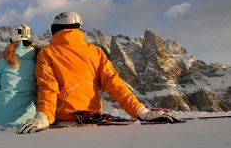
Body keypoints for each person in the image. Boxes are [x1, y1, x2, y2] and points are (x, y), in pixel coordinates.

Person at [17, 11, 180, 134]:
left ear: (54, 30)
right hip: (91, 116)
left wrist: (44, 116)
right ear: (79, 29)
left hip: (63, 118)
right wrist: (141, 112)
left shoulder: (47, 52)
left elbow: (48, 87)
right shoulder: (96, 52)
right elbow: (114, 84)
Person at [0, 24, 39, 128]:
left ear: (12, 39)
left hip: (0, 118)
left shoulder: (3, 59)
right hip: (29, 119)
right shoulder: (38, 59)